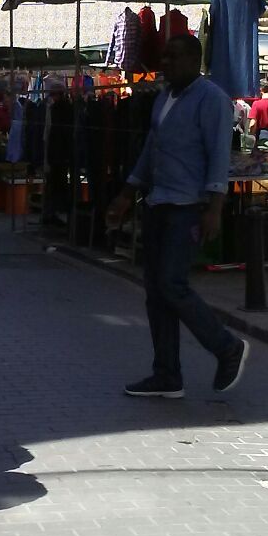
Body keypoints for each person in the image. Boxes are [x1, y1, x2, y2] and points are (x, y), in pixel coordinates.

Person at [106, 34, 250, 397]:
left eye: (172, 57)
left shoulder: (212, 99)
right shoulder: (163, 99)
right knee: (155, 293)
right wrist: (127, 192)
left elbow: (219, 156)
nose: (164, 63)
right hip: (159, 203)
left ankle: (227, 347)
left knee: (173, 284)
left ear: (193, 60)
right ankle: (167, 374)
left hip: (190, 207)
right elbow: (151, 149)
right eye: (163, 57)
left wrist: (215, 208)